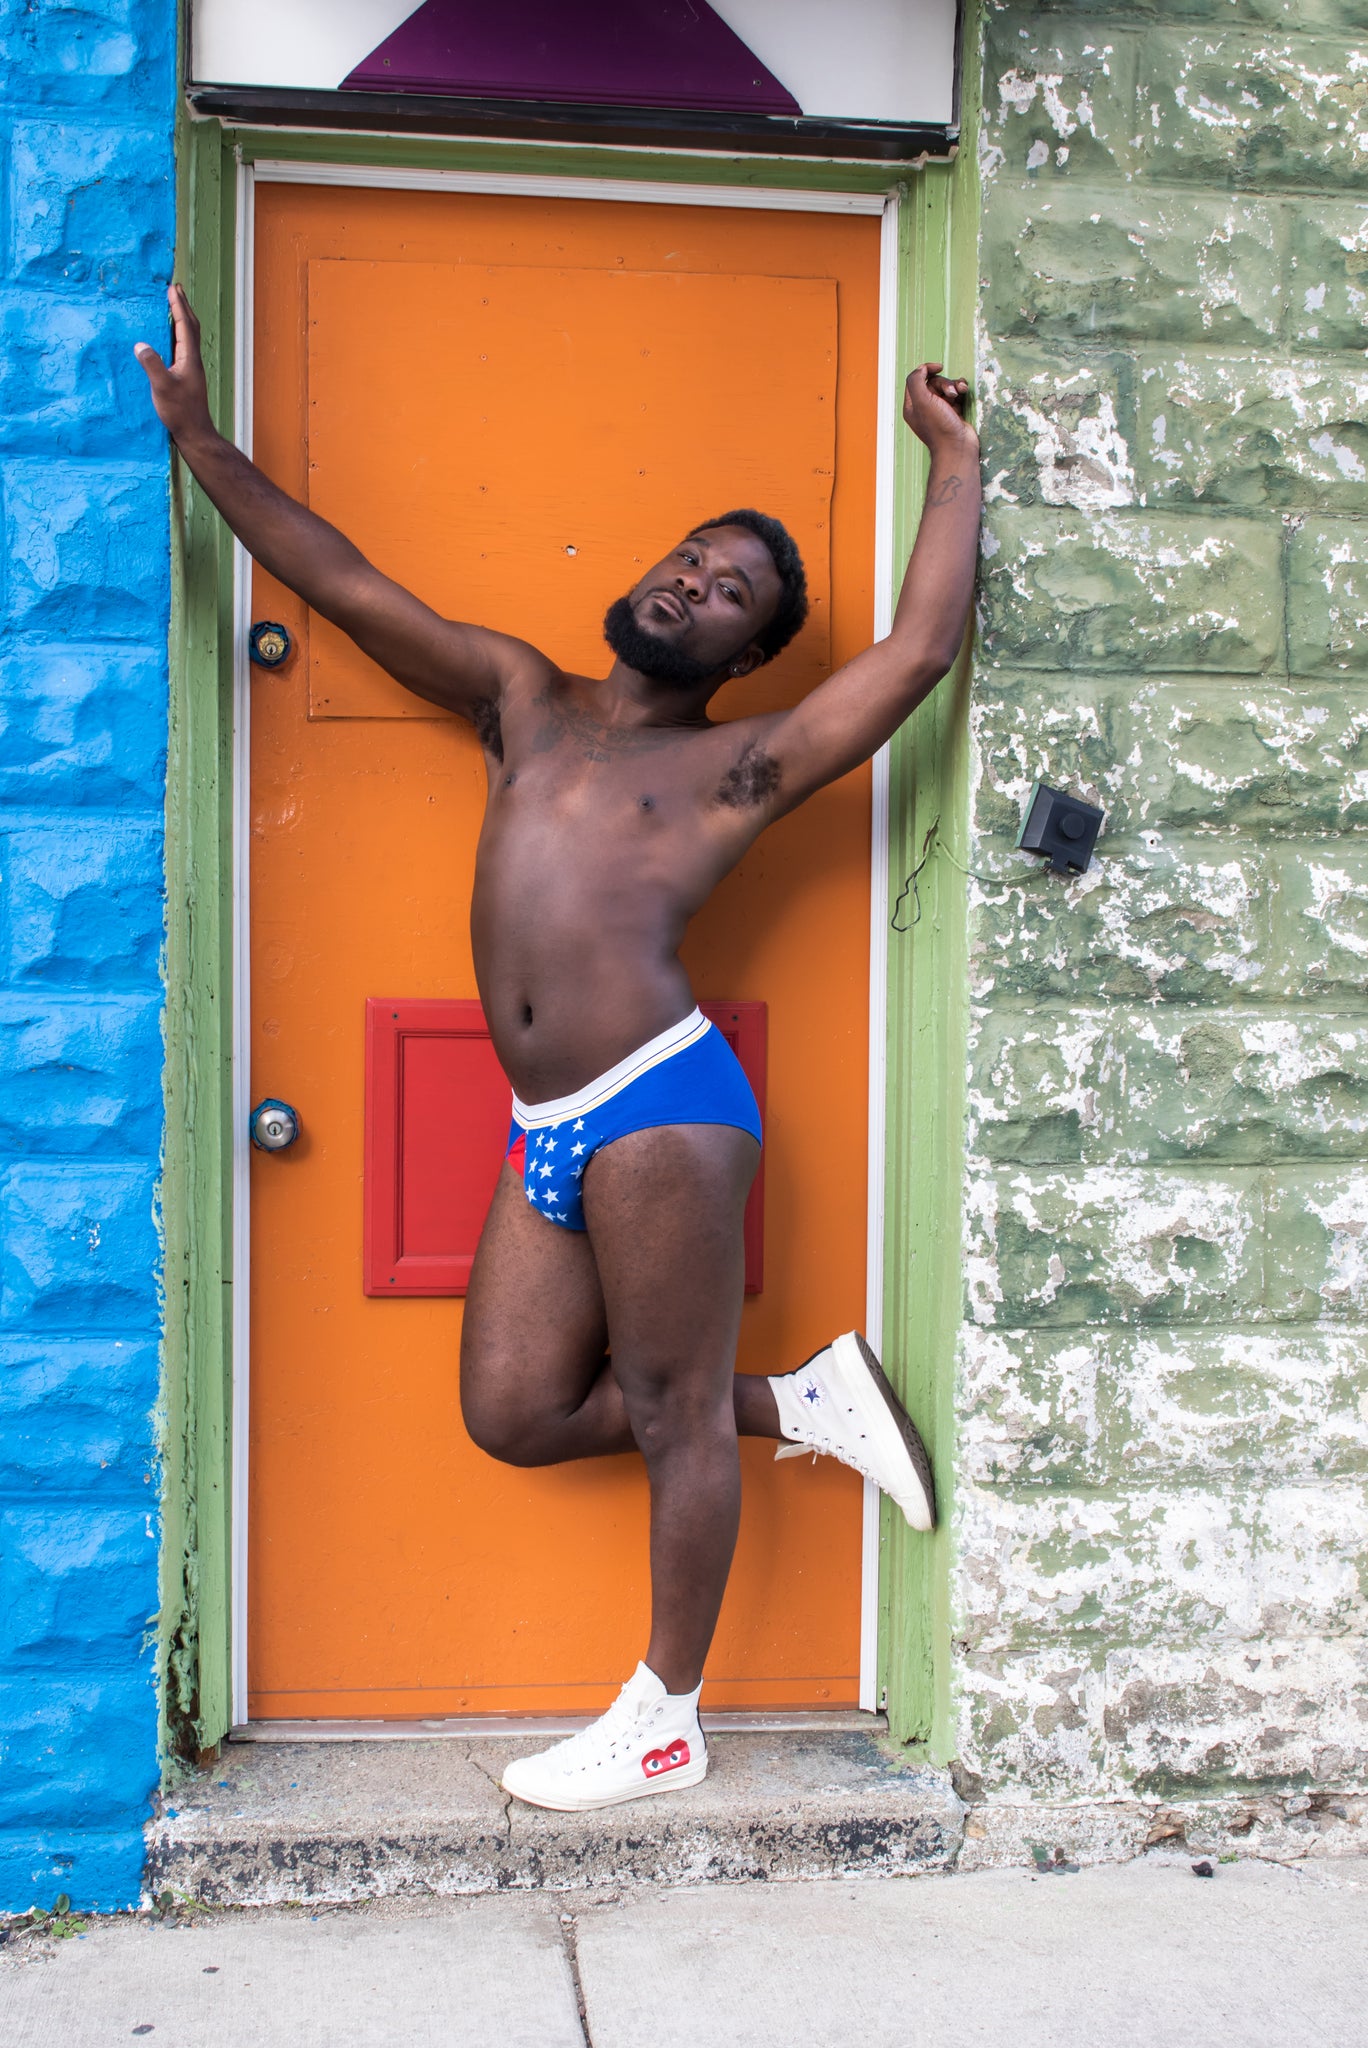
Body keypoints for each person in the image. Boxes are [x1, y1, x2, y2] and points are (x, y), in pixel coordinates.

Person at [136, 283, 980, 1815]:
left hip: (663, 1104)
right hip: (550, 1122)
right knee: (517, 1411)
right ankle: (803, 1403)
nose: (692, 584)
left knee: (664, 1410)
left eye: (731, 592)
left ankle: (667, 1714)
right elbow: (344, 580)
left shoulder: (739, 765)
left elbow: (917, 655)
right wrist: (200, 439)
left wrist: (953, 460)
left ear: (749, 652)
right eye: (690, 559)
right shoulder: (520, 697)